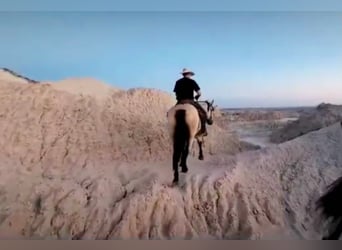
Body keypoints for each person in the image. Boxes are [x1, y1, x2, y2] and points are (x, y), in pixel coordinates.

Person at [173, 68, 208, 136]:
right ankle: (203, 130)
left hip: (180, 101)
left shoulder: (177, 82)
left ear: (183, 74)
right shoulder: (192, 81)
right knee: (203, 113)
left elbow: (176, 93)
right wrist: (197, 96)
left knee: (170, 113)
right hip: (190, 101)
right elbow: (199, 93)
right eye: (190, 74)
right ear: (189, 74)